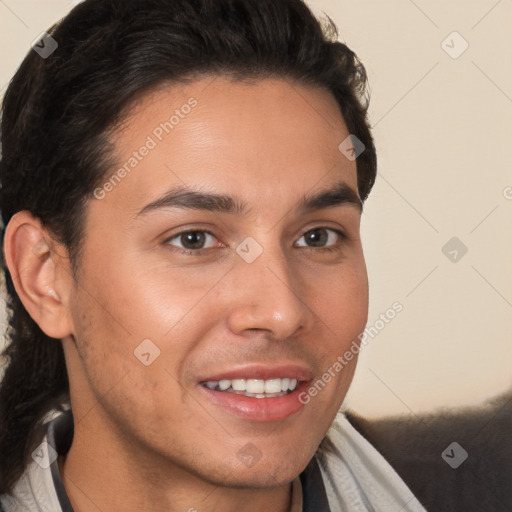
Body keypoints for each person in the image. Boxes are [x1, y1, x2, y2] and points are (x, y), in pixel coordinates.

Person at [0, 0, 429, 510]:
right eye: (194, 240)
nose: (281, 312)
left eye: (317, 237)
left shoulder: (470, 480)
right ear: (45, 274)